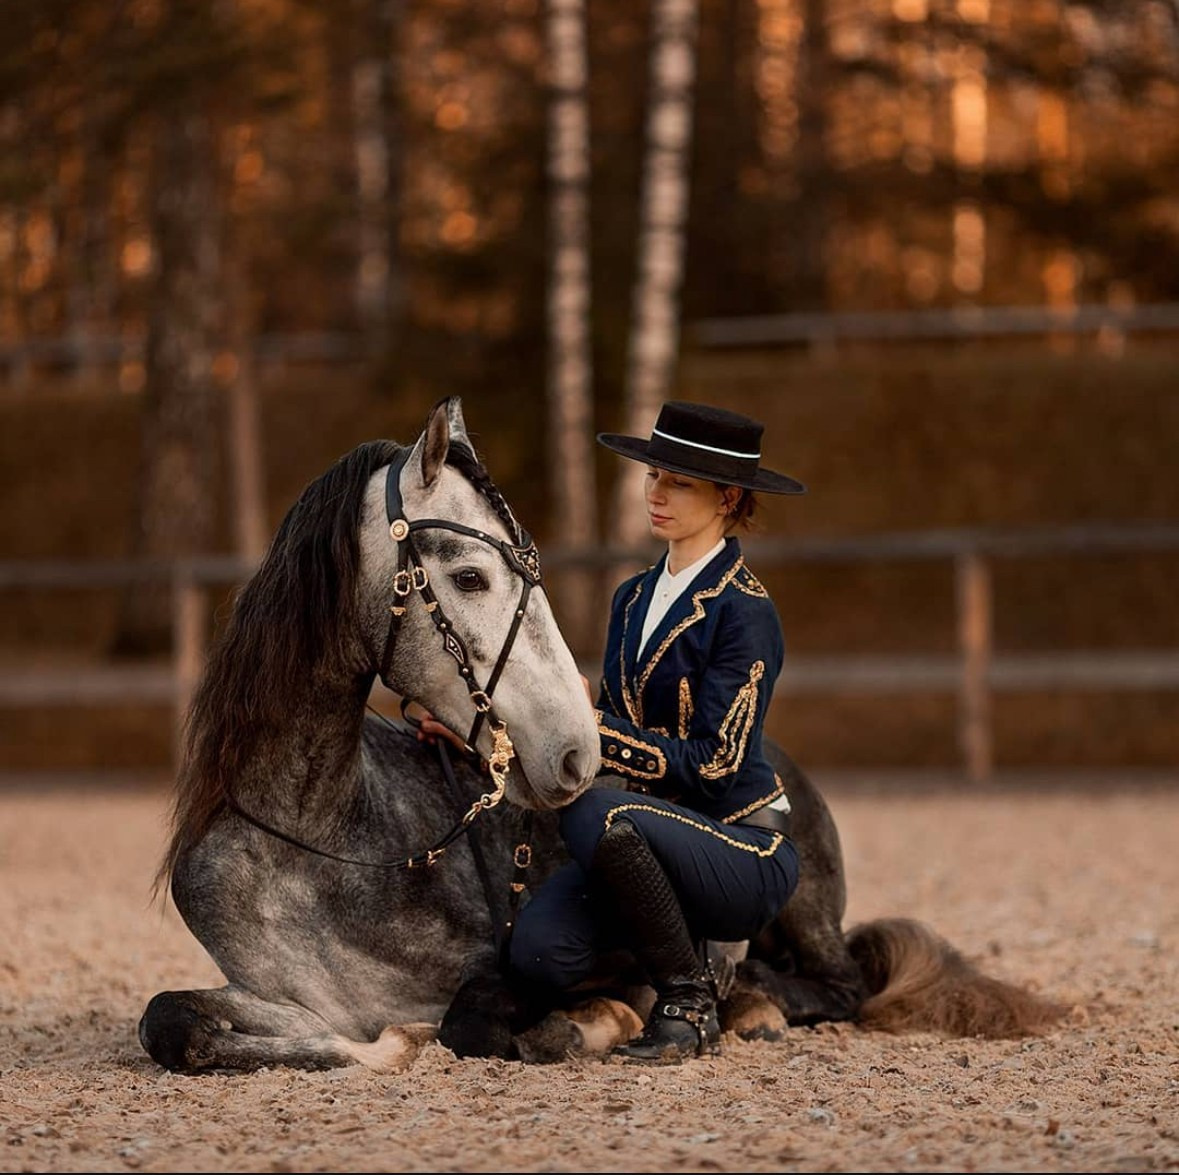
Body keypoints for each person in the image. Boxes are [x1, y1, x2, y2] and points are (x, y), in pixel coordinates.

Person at [418, 400, 805, 1064]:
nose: (655, 493)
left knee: (595, 810)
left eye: (678, 482)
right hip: (640, 841)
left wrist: (596, 731)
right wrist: (481, 737)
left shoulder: (744, 611)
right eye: (653, 476)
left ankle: (688, 1003)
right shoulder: (630, 598)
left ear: (728, 497)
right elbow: (605, 725)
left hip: (740, 846)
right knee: (537, 952)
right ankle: (658, 971)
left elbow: (714, 763)